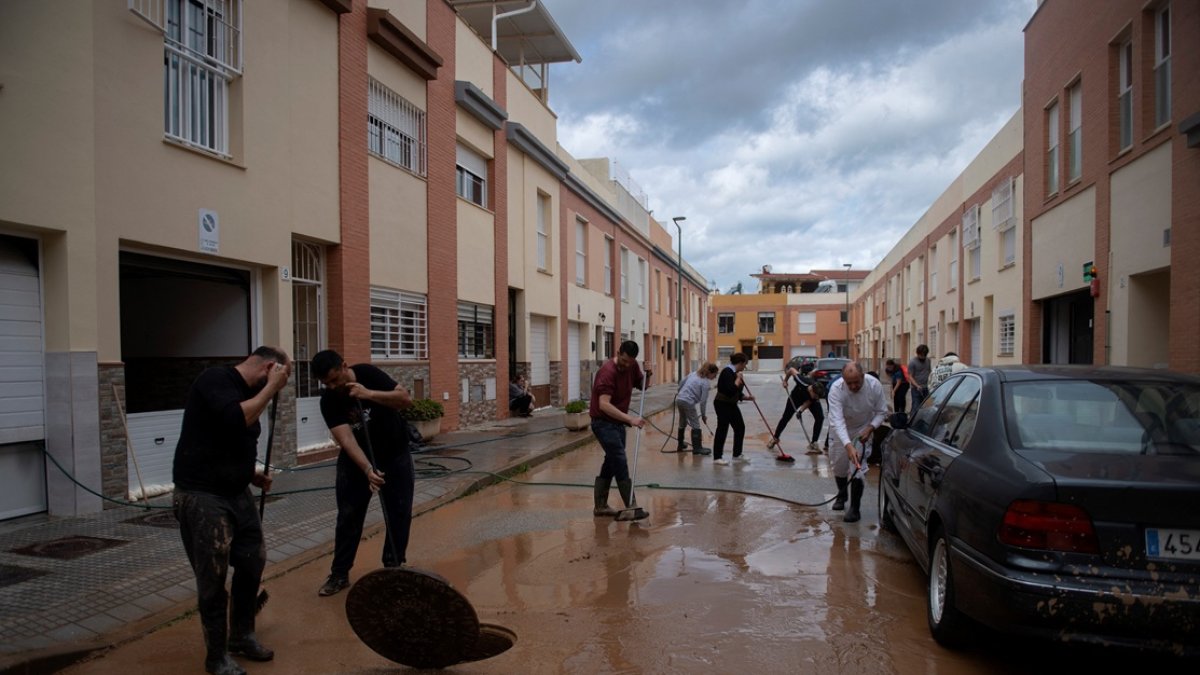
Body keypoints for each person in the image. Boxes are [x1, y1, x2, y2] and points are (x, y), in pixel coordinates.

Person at [172, 346, 291, 675]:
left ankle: (242, 635)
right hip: (202, 495)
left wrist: (249, 472)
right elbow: (237, 417)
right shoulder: (216, 380)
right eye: (281, 376)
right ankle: (216, 656)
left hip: (236, 492)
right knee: (213, 577)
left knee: (253, 561)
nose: (281, 384)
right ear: (269, 367)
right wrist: (272, 388)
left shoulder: (247, 391)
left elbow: (230, 437)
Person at [310, 349, 415, 597]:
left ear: (345, 365)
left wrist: (368, 394)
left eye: (336, 379)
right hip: (356, 463)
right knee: (349, 517)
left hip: (395, 455)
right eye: (327, 383)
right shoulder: (329, 400)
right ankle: (339, 573)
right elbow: (345, 439)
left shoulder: (368, 374)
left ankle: (393, 568)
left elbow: (404, 399)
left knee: (399, 513)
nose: (334, 386)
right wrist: (367, 468)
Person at [589, 340, 651, 518]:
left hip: (617, 423)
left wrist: (649, 373)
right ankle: (632, 506)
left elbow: (643, 385)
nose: (626, 365)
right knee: (619, 458)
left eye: (630, 362)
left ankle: (600, 506)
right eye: (623, 361)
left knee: (611, 461)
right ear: (618, 352)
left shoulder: (631, 367)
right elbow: (604, 405)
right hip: (602, 422)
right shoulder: (607, 372)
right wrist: (630, 419)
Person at [827, 362, 888, 523]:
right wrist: (847, 445)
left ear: (862, 376)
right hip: (840, 429)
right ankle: (842, 495)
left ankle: (855, 508)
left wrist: (870, 428)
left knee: (858, 468)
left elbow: (882, 412)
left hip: (863, 428)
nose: (853, 386)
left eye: (857, 382)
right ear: (843, 380)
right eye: (849, 383)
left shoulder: (874, 385)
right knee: (839, 465)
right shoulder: (836, 390)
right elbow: (837, 420)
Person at [768, 362, 826, 455]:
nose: (817, 398)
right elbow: (791, 370)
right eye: (816, 396)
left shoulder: (815, 395)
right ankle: (775, 438)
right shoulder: (801, 380)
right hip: (795, 398)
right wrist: (785, 381)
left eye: (818, 397)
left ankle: (814, 443)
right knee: (786, 417)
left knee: (820, 417)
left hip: (807, 399)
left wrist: (800, 411)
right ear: (811, 390)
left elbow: (810, 401)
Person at [712, 352, 754, 466]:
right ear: (740, 363)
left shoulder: (734, 373)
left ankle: (737, 454)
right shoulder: (727, 372)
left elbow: (737, 392)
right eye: (744, 364)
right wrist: (737, 379)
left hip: (731, 404)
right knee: (722, 428)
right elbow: (729, 390)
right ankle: (717, 457)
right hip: (722, 404)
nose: (744, 367)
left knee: (740, 427)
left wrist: (746, 397)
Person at [675, 362, 718, 455]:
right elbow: (703, 402)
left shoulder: (693, 374)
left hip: (679, 399)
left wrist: (680, 393)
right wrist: (703, 415)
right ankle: (697, 448)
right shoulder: (705, 383)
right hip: (688, 402)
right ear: (710, 372)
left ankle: (680, 444)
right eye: (715, 374)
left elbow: (681, 383)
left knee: (682, 421)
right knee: (696, 425)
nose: (715, 377)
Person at [906, 344, 931, 411]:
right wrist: (917, 385)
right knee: (916, 406)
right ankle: (913, 420)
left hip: (926, 387)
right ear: (918, 353)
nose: (923, 357)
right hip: (916, 389)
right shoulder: (912, 362)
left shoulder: (928, 360)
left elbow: (929, 371)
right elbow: (910, 376)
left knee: (928, 406)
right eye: (921, 355)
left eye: (924, 355)